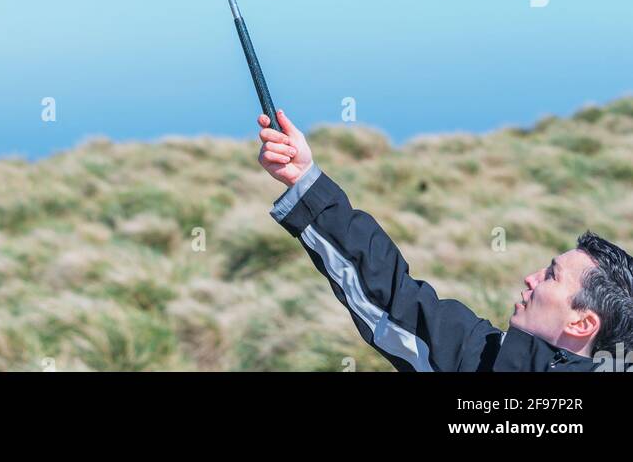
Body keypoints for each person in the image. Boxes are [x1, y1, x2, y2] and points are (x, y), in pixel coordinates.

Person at [258, 109, 633, 373]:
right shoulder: (482, 359)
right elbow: (393, 297)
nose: (531, 278)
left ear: (583, 323)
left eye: (551, 276)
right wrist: (306, 181)